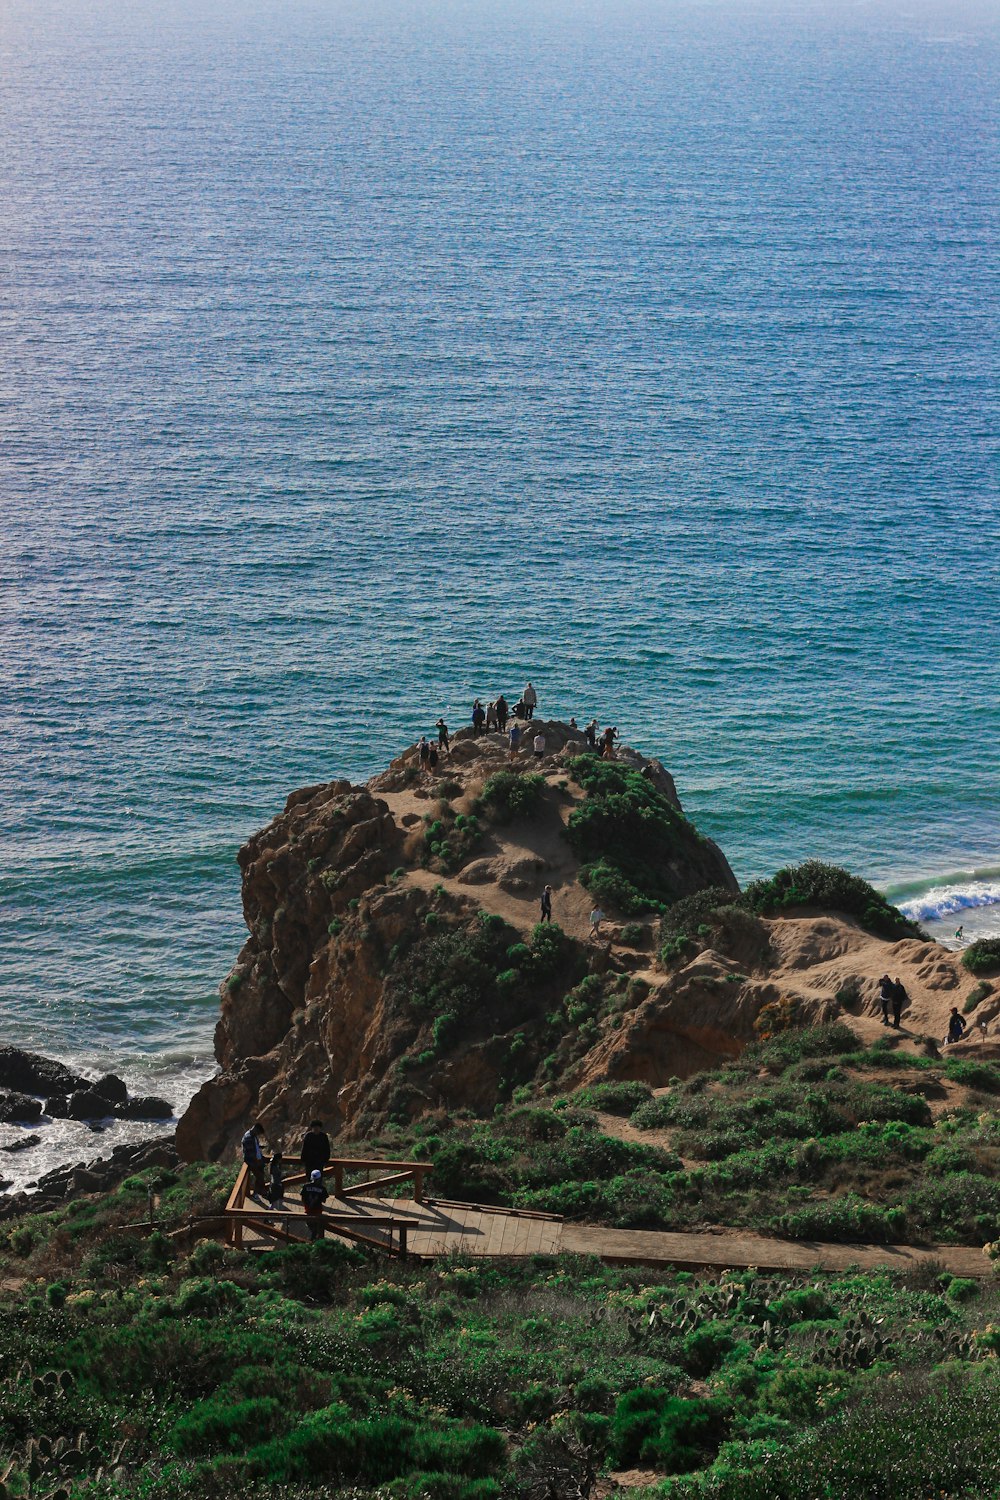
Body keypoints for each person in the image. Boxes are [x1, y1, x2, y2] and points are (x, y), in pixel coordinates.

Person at [301, 1169, 329, 1241]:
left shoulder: (305, 1186)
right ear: (319, 1178)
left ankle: (312, 1240)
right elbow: (324, 1200)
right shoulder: (322, 1188)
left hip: (308, 1210)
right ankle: (314, 1240)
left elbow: (302, 1198)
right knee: (317, 1228)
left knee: (311, 1227)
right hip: (317, 1211)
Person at [241, 1122, 267, 1197]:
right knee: (260, 1178)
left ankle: (256, 1193)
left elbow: (254, 1147)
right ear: (256, 1129)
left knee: (259, 1178)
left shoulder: (253, 1136)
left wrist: (260, 1148)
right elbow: (250, 1153)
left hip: (258, 1160)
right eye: (258, 1132)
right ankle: (260, 1193)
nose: (258, 1134)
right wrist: (257, 1161)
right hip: (252, 1162)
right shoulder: (248, 1137)